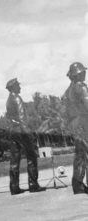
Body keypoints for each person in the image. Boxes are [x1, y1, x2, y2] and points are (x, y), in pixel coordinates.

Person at [5, 78, 45, 195]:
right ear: (13, 87)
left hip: (13, 131)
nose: (20, 87)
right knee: (31, 157)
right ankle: (33, 184)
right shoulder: (17, 98)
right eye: (18, 85)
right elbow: (22, 118)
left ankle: (14, 187)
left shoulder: (8, 100)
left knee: (14, 160)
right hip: (21, 131)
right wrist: (29, 134)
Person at [63, 62, 88, 194]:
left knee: (80, 155)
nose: (85, 73)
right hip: (84, 123)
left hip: (74, 124)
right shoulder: (81, 87)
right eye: (83, 72)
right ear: (78, 74)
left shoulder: (68, 90)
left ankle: (77, 185)